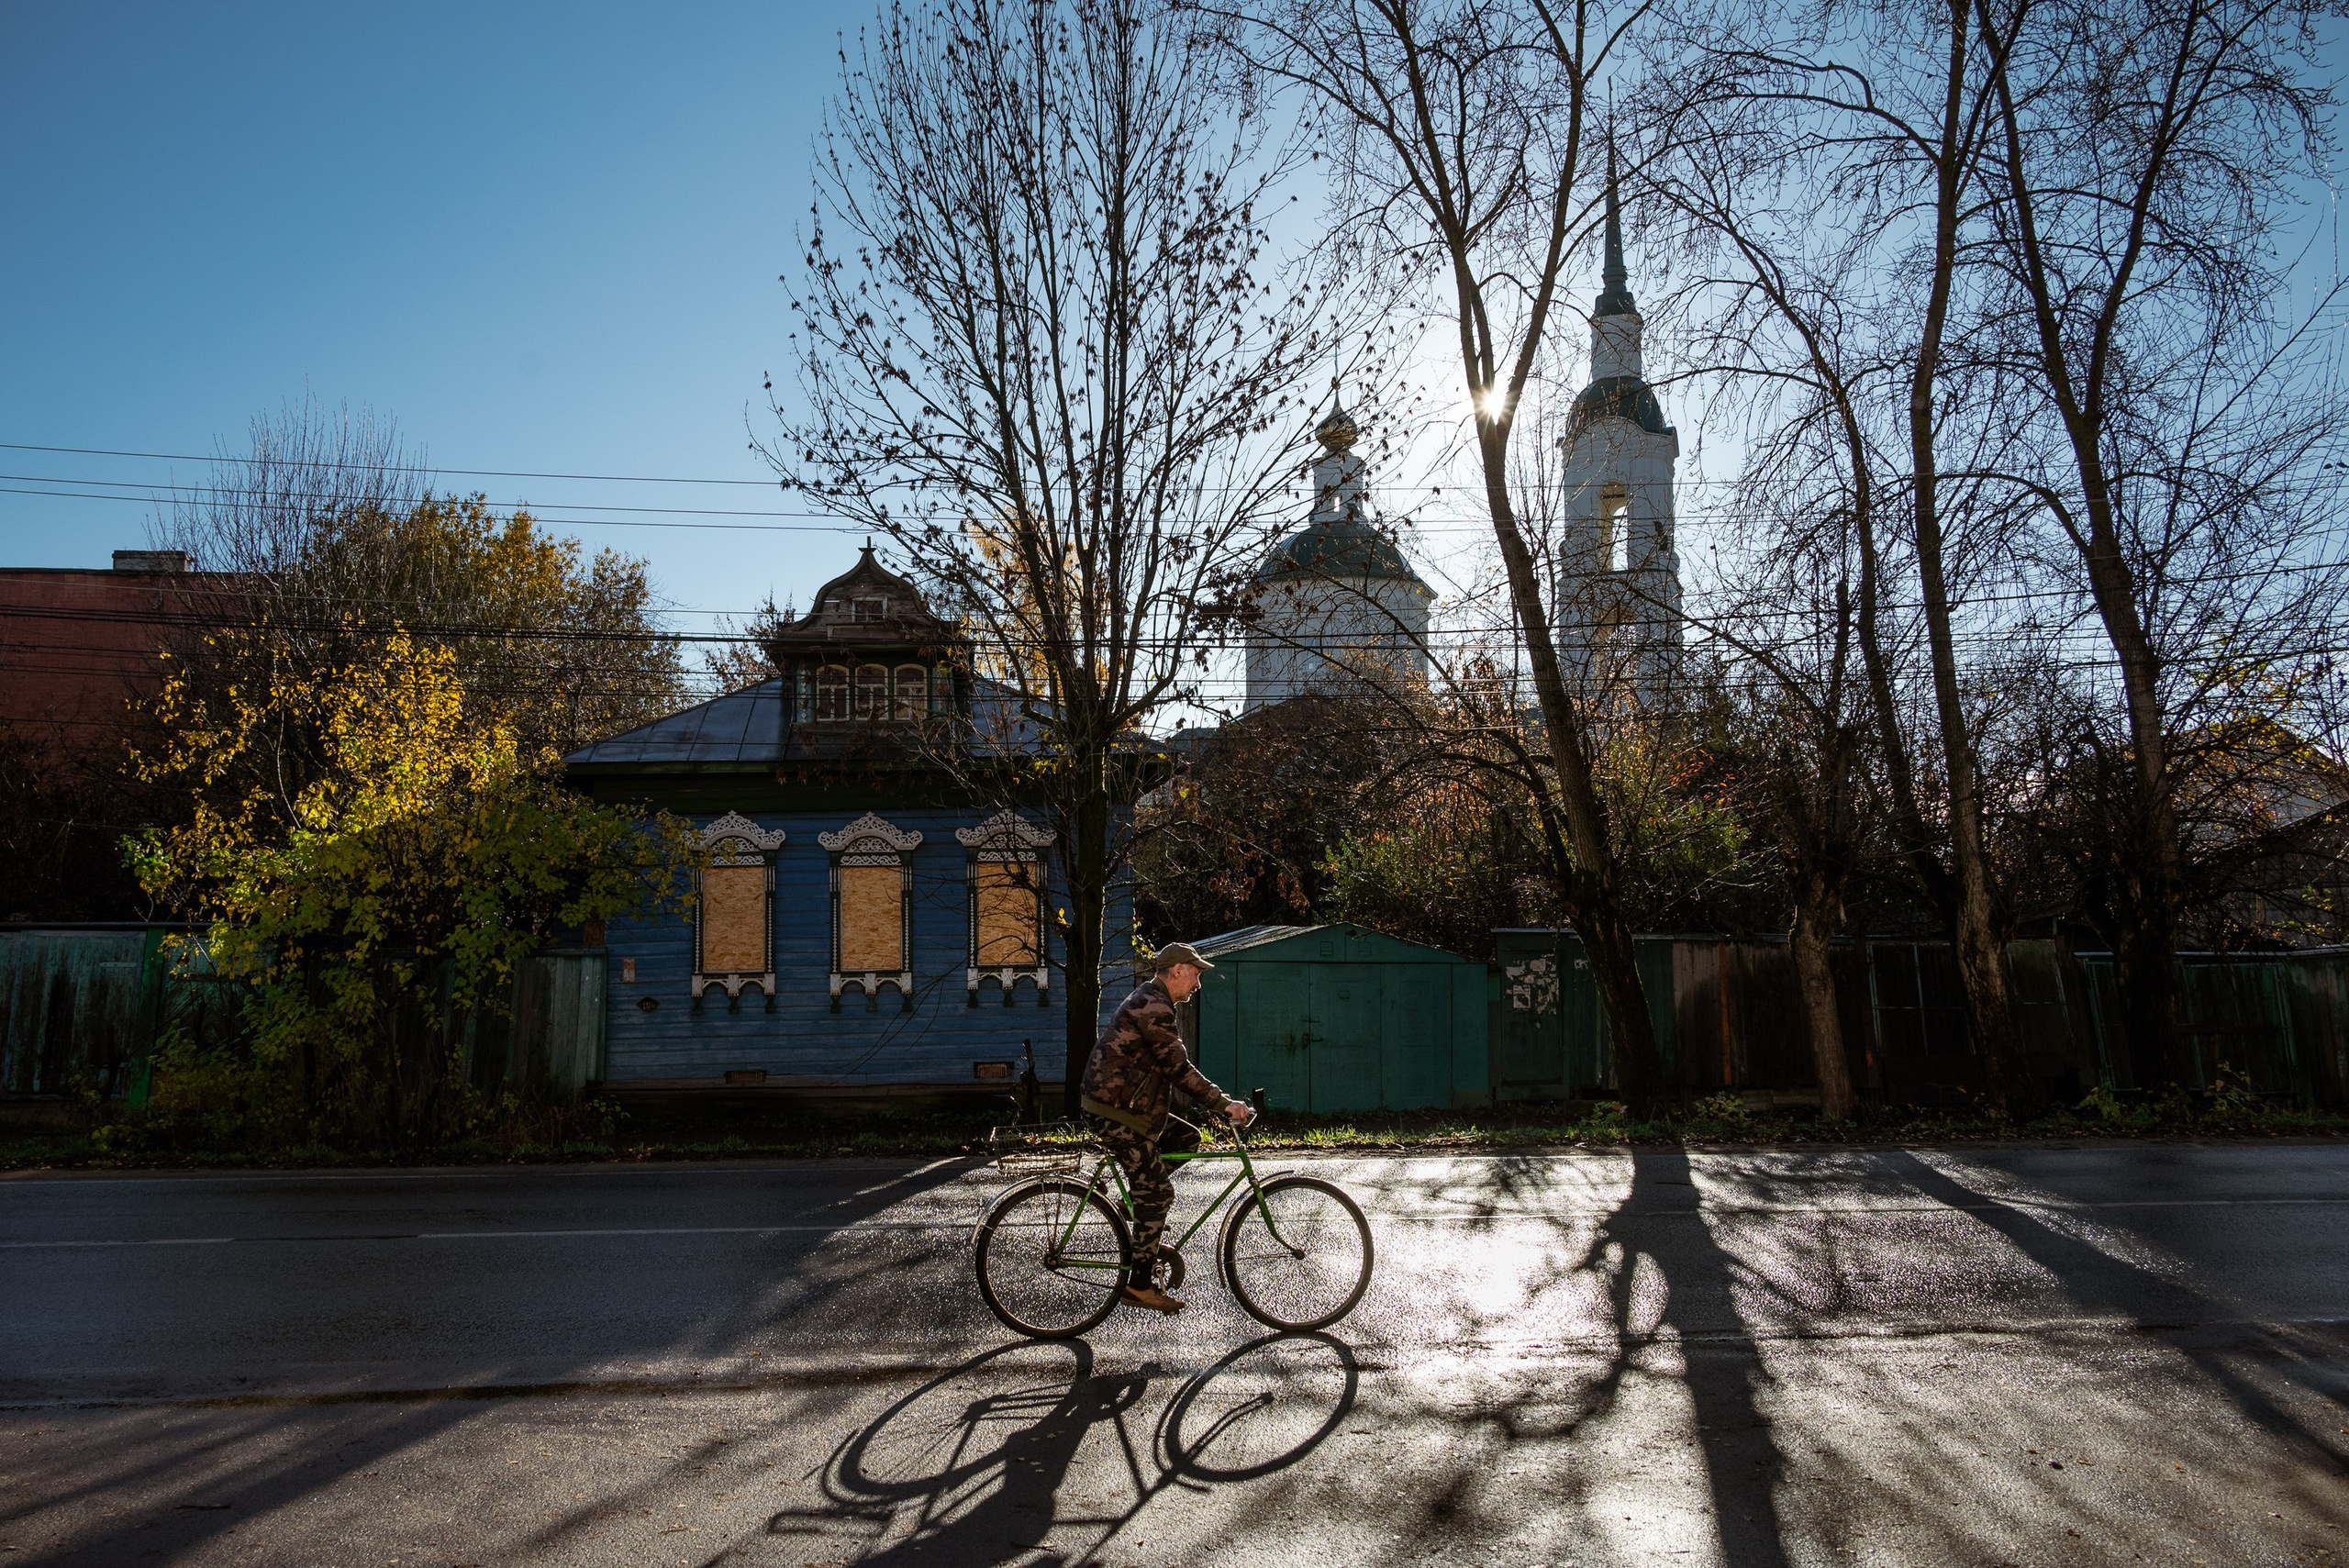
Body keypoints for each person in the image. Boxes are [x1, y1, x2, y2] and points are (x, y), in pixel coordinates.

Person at [1079, 942, 1252, 1314]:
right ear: (1176, 971)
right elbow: (1178, 1068)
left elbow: (1169, 1070)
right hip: (1115, 1110)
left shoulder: (1154, 1000)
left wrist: (1214, 1106)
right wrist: (1225, 1104)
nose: (1198, 984)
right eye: (1195, 974)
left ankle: (1139, 1200)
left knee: (1187, 1137)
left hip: (1127, 1106)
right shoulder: (1155, 1006)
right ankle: (1140, 1285)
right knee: (1158, 1194)